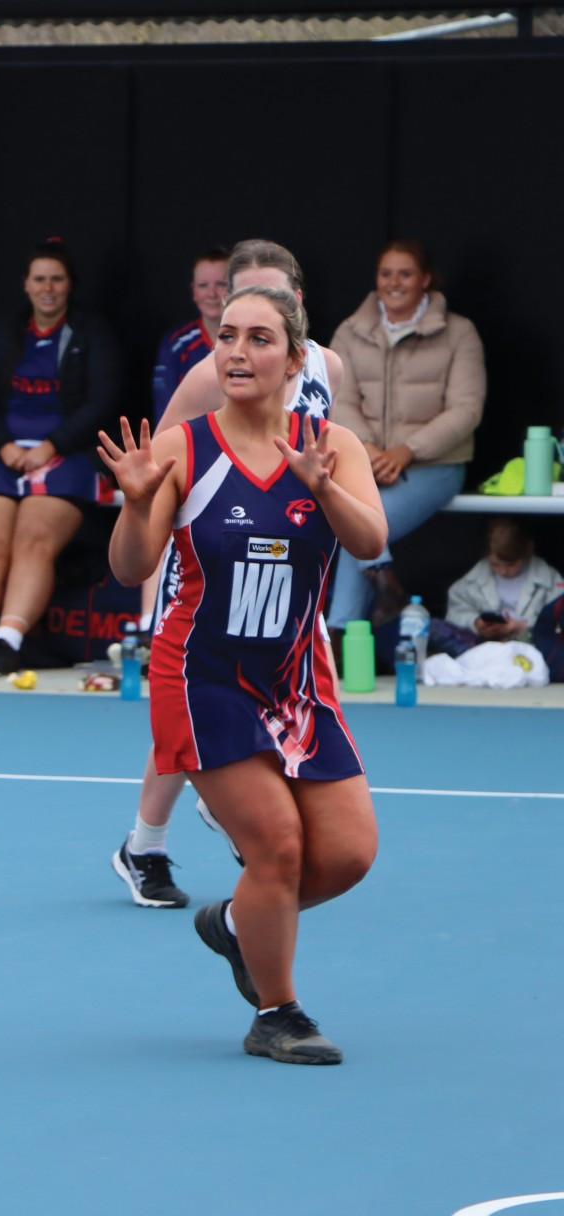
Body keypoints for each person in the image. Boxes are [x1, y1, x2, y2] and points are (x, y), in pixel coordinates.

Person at [99, 285, 385, 1065]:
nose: (236, 351)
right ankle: (277, 1012)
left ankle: (233, 924)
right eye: (226, 336)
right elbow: (133, 566)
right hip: (203, 678)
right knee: (279, 847)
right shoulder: (181, 449)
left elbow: (370, 540)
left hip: (296, 684)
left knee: (349, 853)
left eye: (260, 339)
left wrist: (322, 486)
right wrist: (132, 506)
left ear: (296, 360)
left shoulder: (332, 446)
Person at [111, 239, 345, 909]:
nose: (246, 325)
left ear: (298, 304)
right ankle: (145, 844)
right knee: (191, 709)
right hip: (210, 568)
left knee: (294, 698)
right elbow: (162, 472)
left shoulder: (326, 366)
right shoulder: (214, 378)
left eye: (273, 300)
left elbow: (326, 463)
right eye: (237, 308)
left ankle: (240, 800)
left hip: (287, 579)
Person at [0, 238, 122, 678]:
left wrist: (53, 445)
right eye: (40, 279)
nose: (48, 288)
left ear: (69, 285)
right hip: (3, 452)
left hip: (65, 453)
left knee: (33, 541)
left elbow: (101, 401)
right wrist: (1, 445)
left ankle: (7, 643)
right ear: (26, 285)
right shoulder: (5, 331)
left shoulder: (90, 331)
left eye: (57, 279)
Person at [325, 238, 486, 627]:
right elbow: (336, 397)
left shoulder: (459, 333)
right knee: (355, 525)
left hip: (435, 465)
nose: (394, 282)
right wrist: (366, 449)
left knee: (359, 526)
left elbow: (466, 409)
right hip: (363, 464)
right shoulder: (350, 331)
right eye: (385, 273)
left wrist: (406, 451)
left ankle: (339, 633)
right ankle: (365, 606)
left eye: (405, 273)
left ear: (425, 279)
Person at [446, 518, 564, 644]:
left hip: (535, 646)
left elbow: (559, 618)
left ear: (528, 549)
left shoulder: (548, 580)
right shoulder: (473, 581)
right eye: (495, 564)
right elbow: (455, 612)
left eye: (511, 564)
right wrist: (475, 623)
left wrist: (523, 625)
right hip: (485, 648)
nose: (503, 571)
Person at [150, 247, 230, 425]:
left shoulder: (253, 342)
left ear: (236, 288)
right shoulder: (176, 344)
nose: (212, 294)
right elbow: (165, 412)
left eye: (221, 284)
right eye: (203, 285)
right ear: (193, 291)